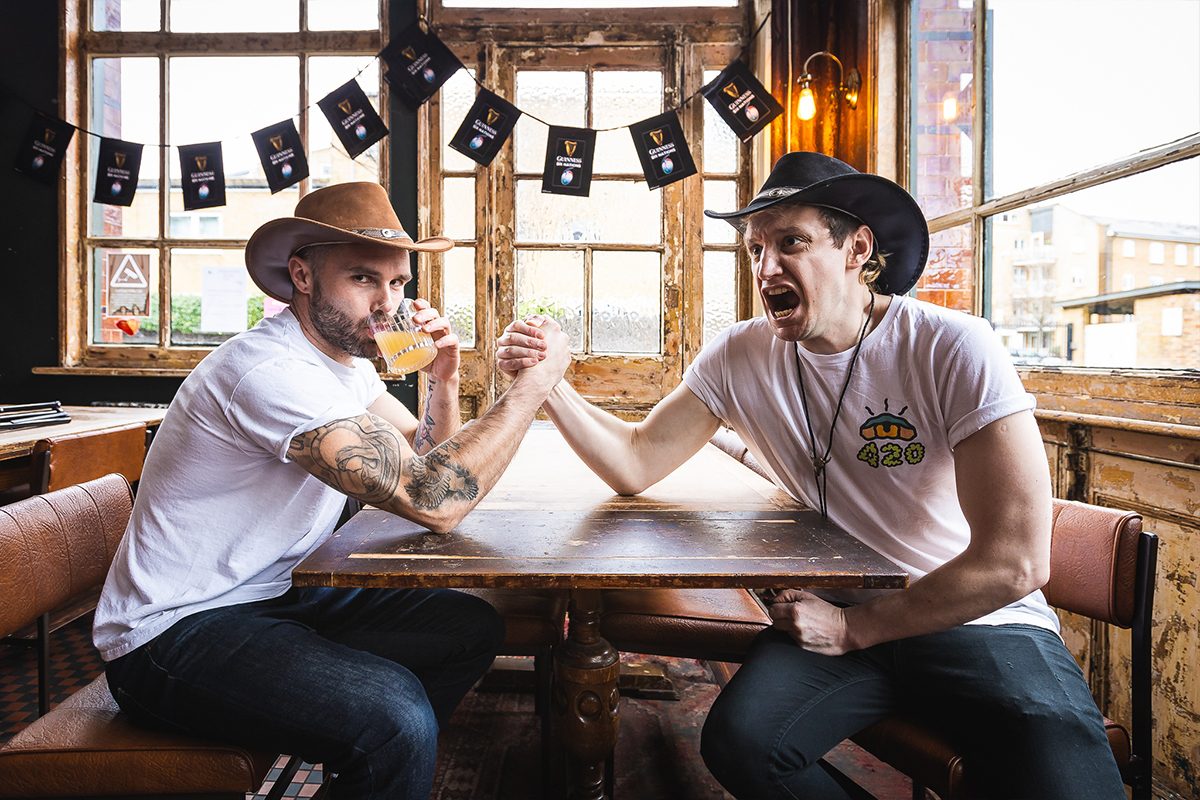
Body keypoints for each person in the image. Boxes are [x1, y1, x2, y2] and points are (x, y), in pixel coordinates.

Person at [497, 152, 1126, 800]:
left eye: (790, 242)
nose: (766, 268)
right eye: (755, 249)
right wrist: (548, 385)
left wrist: (854, 630)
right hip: (840, 616)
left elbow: (1016, 562)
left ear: (857, 249)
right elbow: (635, 459)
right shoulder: (740, 355)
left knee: (1070, 785)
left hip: (975, 620)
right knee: (740, 743)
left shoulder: (953, 345)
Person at [94, 181, 571, 800]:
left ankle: (370, 774)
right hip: (173, 632)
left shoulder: (345, 366)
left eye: (397, 282)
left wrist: (443, 380)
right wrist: (533, 388)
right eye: (363, 279)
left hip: (275, 593)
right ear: (302, 275)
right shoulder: (270, 372)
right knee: (395, 718)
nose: (387, 303)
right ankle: (384, 755)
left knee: (468, 628)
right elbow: (436, 499)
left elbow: (423, 458)